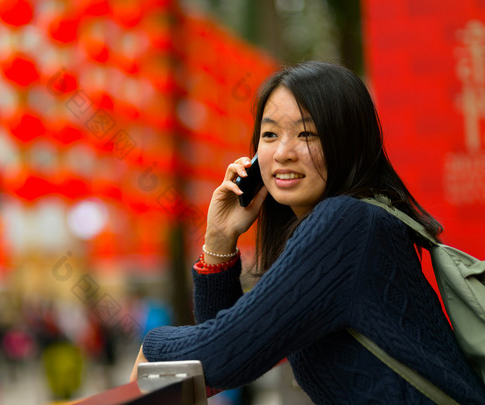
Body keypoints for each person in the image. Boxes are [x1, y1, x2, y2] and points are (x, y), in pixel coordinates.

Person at [129, 61, 485, 403]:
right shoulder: (352, 221)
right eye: (269, 135)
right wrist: (219, 240)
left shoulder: (346, 223)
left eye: (307, 134)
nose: (283, 152)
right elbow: (224, 365)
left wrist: (153, 344)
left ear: (347, 143)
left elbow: (222, 353)